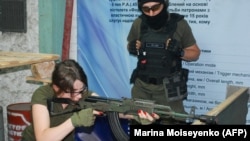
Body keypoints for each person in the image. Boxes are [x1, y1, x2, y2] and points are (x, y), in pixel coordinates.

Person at [22, 59, 158, 141]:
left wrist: (136, 114)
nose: (79, 96)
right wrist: (75, 120)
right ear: (57, 87)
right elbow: (43, 138)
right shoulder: (42, 95)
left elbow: (111, 107)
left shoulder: (84, 95)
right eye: (72, 92)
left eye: (81, 90)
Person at [127, 0, 200, 124]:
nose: (151, 13)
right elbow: (130, 44)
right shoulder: (138, 23)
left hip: (169, 89)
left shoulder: (179, 24)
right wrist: (133, 47)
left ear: (164, 4)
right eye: (146, 9)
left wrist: (180, 52)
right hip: (142, 87)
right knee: (140, 124)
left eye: (155, 7)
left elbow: (195, 53)